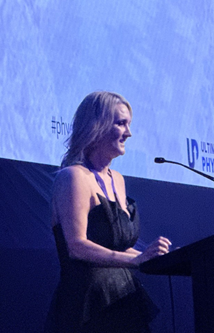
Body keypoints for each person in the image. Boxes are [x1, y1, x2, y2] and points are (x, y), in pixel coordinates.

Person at [46, 91, 171, 333]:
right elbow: (77, 246)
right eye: (121, 123)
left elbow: (117, 246)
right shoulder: (73, 177)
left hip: (123, 299)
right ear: (97, 126)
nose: (129, 133)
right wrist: (135, 260)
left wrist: (154, 256)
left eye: (129, 124)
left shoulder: (118, 180)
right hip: (88, 306)